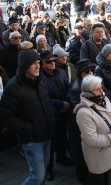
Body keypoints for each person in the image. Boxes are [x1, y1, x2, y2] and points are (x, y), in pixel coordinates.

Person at [0, 49, 56, 185]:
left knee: (41, 174)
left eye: (38, 62)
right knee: (36, 177)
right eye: (34, 63)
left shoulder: (40, 79)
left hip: (47, 135)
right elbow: (6, 116)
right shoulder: (13, 87)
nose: (38, 66)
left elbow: (46, 102)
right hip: (32, 140)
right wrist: (29, 130)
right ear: (24, 65)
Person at [74, 75, 111, 185]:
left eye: (101, 87)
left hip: (109, 150)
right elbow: (91, 139)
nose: (102, 91)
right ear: (88, 93)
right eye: (97, 89)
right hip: (97, 156)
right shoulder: (83, 113)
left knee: (106, 177)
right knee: (98, 180)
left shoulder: (104, 99)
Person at [40, 50, 72, 181]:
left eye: (53, 60)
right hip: (50, 113)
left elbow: (69, 87)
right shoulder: (40, 78)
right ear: (42, 63)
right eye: (49, 61)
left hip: (63, 111)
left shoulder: (59, 73)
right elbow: (43, 97)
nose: (53, 63)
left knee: (62, 136)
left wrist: (67, 101)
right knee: (50, 143)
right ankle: (49, 167)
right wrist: (60, 104)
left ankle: (62, 157)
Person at [69, 59, 95, 185]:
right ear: (80, 73)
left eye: (92, 70)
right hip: (80, 127)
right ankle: (82, 176)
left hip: (91, 124)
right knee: (81, 153)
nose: (90, 73)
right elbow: (80, 110)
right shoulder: (76, 89)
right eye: (87, 71)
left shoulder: (93, 83)